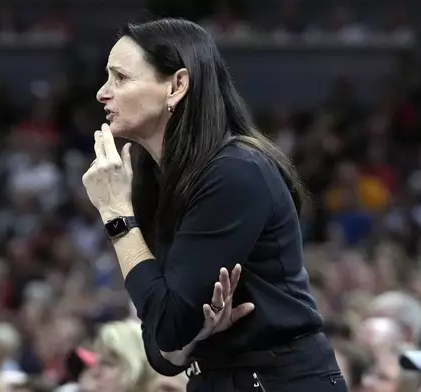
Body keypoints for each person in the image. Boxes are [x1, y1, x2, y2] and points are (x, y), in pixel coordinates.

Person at [81, 17, 347, 392]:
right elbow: (161, 347)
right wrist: (194, 337)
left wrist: (115, 216)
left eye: (120, 78)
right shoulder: (153, 176)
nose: (102, 93)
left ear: (177, 86)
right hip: (219, 378)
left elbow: (168, 325)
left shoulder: (234, 171)